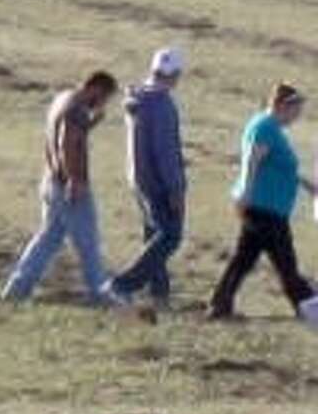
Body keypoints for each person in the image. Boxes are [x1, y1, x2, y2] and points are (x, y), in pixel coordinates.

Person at [1, 71, 121, 304]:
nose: (104, 102)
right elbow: (66, 143)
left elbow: (67, 135)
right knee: (89, 241)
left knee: (47, 239)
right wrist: (74, 180)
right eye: (105, 97)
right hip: (68, 184)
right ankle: (100, 293)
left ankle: (16, 290)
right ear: (96, 88)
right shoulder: (76, 109)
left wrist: (92, 122)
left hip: (51, 181)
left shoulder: (63, 99)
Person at [208, 83, 318, 321]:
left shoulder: (272, 129)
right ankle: (308, 304)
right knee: (285, 261)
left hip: (267, 207)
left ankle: (219, 305)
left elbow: (283, 168)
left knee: (244, 259)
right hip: (263, 207)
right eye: (296, 109)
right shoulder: (265, 128)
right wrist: (245, 194)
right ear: (282, 106)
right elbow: (252, 161)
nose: (298, 115)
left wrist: (310, 187)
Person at [105, 48, 187, 308]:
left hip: (138, 178)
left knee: (154, 236)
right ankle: (122, 285)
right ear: (174, 75)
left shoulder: (138, 99)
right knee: (170, 236)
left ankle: (159, 296)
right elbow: (165, 152)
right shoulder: (162, 104)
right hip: (159, 183)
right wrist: (175, 189)